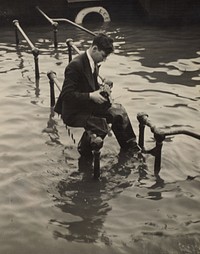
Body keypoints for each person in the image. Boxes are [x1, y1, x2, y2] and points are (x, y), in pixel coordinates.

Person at [54, 33, 140, 157]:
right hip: (74, 112)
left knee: (119, 112)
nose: (104, 60)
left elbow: (88, 85)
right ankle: (85, 152)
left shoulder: (92, 61)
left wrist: (102, 88)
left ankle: (130, 148)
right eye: (103, 56)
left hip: (86, 106)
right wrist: (91, 96)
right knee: (101, 125)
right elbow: (66, 95)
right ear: (94, 49)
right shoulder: (75, 66)